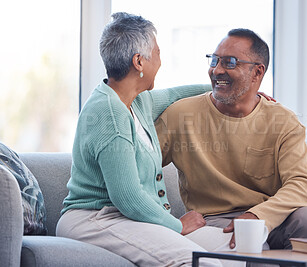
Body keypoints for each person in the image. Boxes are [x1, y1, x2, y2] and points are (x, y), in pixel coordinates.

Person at [56, 12, 222, 266]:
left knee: (234, 251)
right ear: (139, 61)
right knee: (205, 263)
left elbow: (176, 95)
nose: (160, 60)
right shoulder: (109, 113)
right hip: (94, 220)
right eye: (157, 52)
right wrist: (176, 225)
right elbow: (128, 197)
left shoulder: (137, 100)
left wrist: (227, 92)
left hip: (124, 218)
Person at [156, 28, 307, 250]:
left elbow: (302, 185)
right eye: (214, 60)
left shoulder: (283, 120)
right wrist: (167, 222)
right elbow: (141, 168)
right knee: (250, 244)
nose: (216, 70)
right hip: (214, 220)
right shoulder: (179, 115)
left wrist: (256, 216)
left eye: (229, 62)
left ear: (257, 73)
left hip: (270, 215)